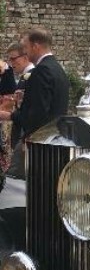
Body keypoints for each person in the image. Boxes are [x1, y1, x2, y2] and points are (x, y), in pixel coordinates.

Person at [0, 28, 69, 177]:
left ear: (35, 46)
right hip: (54, 139)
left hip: (40, 142)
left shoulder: (41, 71)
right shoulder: (57, 68)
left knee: (14, 180)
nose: (25, 52)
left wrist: (27, 137)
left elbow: (37, 112)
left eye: (25, 47)